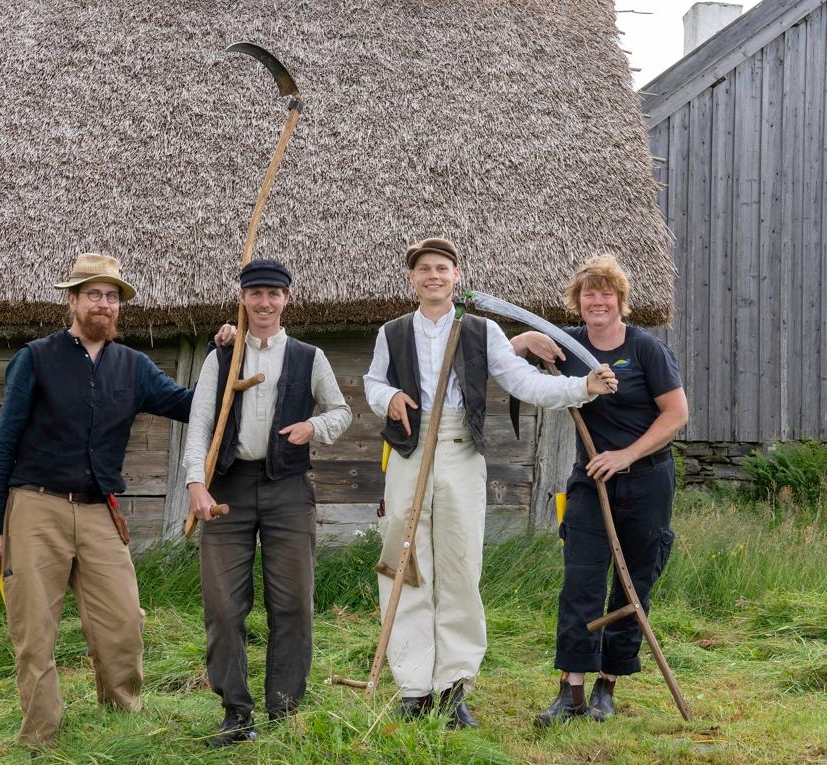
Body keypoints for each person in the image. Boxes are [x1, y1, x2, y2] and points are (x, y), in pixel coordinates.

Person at [363, 237, 619, 728]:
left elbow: (524, 383)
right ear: (412, 278)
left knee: (459, 565)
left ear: (456, 276)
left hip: (460, 450)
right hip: (409, 450)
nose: (433, 276)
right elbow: (373, 382)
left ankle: (453, 689)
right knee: (404, 562)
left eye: (442, 269)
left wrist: (580, 388)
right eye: (424, 270)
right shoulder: (391, 332)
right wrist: (389, 395)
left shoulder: (482, 331)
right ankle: (414, 686)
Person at [0, 253, 193, 749]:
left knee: (123, 621)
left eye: (112, 295)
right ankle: (41, 738)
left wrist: (229, 355)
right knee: (35, 630)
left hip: (100, 511)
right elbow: (3, 445)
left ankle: (119, 723)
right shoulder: (36, 358)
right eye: (93, 293)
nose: (103, 303)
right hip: (36, 508)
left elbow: (188, 404)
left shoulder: (133, 366)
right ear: (72, 300)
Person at [509, 254, 689, 726]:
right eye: (589, 293)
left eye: (606, 293)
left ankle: (608, 682)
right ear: (578, 300)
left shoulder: (646, 349)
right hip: (590, 480)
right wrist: (527, 339)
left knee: (635, 578)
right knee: (581, 580)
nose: (597, 301)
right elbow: (500, 362)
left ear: (620, 300)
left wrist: (626, 455)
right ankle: (570, 692)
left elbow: (676, 414)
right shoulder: (566, 348)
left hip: (647, 478)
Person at [183, 259, 352, 746]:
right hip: (228, 490)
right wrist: (197, 483)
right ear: (243, 298)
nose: (264, 302)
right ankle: (236, 713)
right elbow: (199, 425)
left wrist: (313, 428)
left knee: (293, 603)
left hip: (288, 490)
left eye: (273, 294)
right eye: (255, 293)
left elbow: (341, 411)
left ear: (287, 299)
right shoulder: (221, 358)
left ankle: (285, 711)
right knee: (223, 605)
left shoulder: (308, 356)